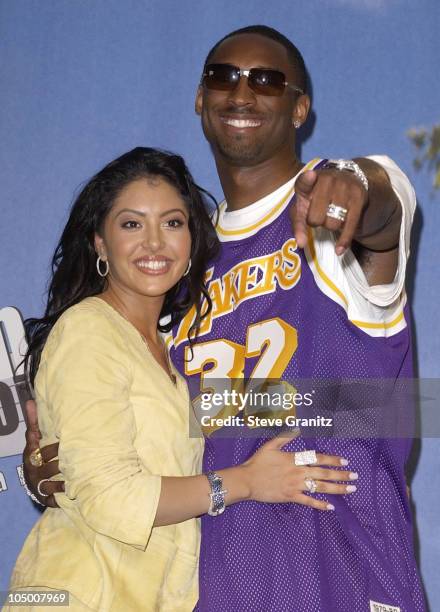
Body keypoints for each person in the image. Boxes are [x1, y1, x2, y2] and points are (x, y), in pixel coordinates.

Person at [22, 25, 426, 612]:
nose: (242, 93)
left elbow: (386, 216)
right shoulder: (174, 282)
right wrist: (65, 472)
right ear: (199, 98)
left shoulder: (327, 215)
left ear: (300, 107)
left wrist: (361, 181)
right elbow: (175, 426)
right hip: (219, 588)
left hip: (345, 576)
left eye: (266, 80)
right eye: (223, 76)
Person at [7, 146, 356, 612]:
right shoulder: (88, 330)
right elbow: (113, 496)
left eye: (172, 223)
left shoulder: (174, 352)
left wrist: (390, 418)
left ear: (192, 240)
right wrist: (246, 482)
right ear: (100, 243)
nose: (154, 243)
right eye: (132, 224)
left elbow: (268, 404)